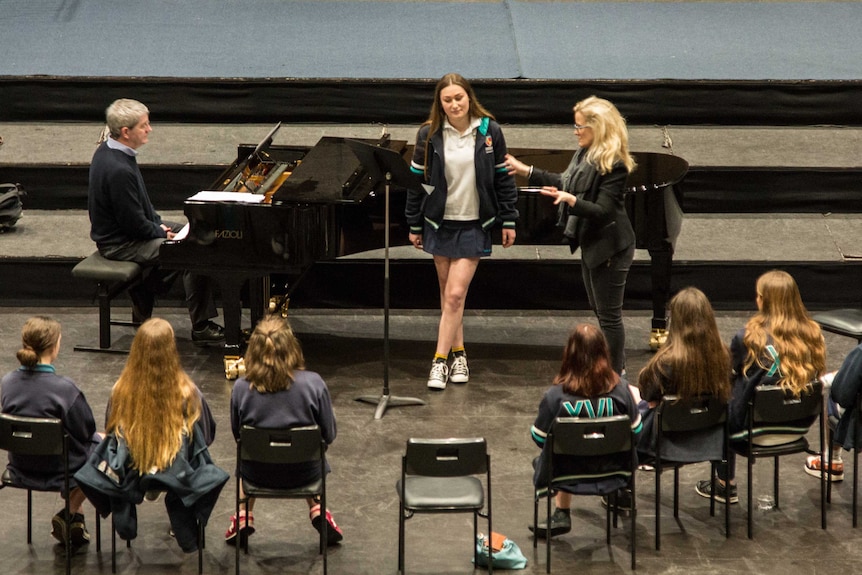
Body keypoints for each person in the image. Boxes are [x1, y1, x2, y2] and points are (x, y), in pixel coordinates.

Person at [506, 96, 636, 374]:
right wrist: (526, 171)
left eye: (580, 127)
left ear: (597, 127)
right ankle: (614, 368)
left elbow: (602, 211)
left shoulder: (614, 163)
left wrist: (571, 200)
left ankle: (616, 375)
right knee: (599, 310)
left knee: (610, 317)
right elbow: (564, 182)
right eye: (575, 126)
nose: (576, 132)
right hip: (592, 242)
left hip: (611, 247)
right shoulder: (584, 154)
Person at [405, 73, 519, 390]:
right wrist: (414, 223)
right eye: (447, 99)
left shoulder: (488, 131)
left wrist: (509, 219)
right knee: (449, 299)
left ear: (469, 97)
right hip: (439, 225)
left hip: (473, 225)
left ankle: (439, 362)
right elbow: (418, 184)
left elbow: (504, 178)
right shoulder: (429, 134)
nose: (454, 104)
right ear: (440, 104)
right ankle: (460, 355)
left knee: (455, 295)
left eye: (459, 97)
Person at [74, 318, 227, 553]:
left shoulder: (120, 390)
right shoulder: (189, 392)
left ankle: (127, 499)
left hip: (132, 469)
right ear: (171, 349)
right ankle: (178, 505)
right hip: (178, 470)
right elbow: (205, 436)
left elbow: (111, 431)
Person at [88, 98, 224, 344]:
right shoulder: (118, 169)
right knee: (194, 249)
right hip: (120, 244)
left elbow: (139, 205)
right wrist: (158, 232)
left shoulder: (115, 150)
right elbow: (132, 224)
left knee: (194, 233)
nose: (149, 129)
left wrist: (158, 225)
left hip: (133, 232)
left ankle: (144, 291)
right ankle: (201, 327)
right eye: (144, 125)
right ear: (126, 132)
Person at [694, 270, 825, 503]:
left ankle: (725, 483)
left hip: (753, 429)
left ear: (762, 300)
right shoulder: (813, 335)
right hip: (798, 425)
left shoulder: (749, 338)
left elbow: (726, 375)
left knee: (720, 397)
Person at [226, 314, 342, 547]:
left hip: (256, 474)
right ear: (292, 348)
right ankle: (319, 509)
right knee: (310, 450)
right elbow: (328, 434)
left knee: (247, 454)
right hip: (305, 473)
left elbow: (238, 435)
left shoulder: (240, 387)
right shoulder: (314, 383)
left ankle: (242, 516)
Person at [528, 324, 642, 538]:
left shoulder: (556, 397)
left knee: (555, 453)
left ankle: (562, 513)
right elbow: (636, 432)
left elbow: (539, 437)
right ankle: (619, 493)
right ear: (603, 352)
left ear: (569, 355)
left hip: (568, 473)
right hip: (615, 471)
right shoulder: (622, 392)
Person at [0, 316, 101, 548]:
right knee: (105, 449)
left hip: (21, 466)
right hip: (60, 470)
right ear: (54, 347)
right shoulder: (65, 389)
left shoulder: (7, 382)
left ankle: (77, 520)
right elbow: (86, 431)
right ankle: (70, 511)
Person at [636, 287, 732, 462]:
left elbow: (647, 393)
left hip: (667, 440)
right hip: (710, 436)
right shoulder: (723, 355)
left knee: (632, 398)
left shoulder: (666, 361)